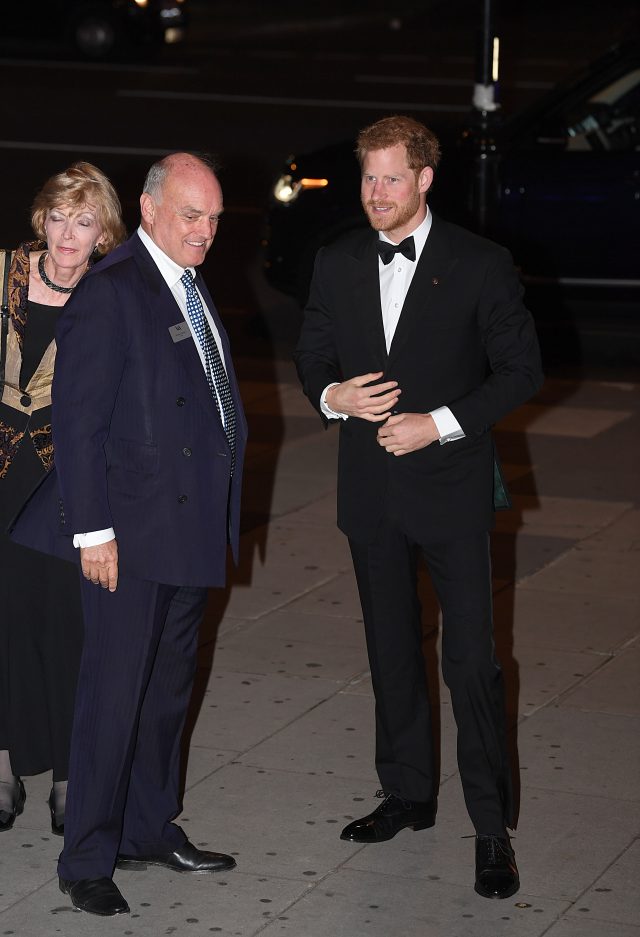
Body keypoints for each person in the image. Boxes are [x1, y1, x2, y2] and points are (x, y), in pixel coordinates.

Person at [295, 116, 544, 900]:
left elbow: (521, 370)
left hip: (453, 490)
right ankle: (407, 791)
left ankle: (491, 826)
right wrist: (333, 396)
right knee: (392, 653)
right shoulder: (336, 261)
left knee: (470, 660)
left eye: (391, 179)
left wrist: (436, 423)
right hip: (370, 494)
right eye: (368, 178)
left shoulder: (480, 263)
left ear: (425, 179)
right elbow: (313, 355)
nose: (375, 193)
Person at [10, 152, 247, 917]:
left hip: (186, 531)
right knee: (111, 696)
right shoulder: (113, 290)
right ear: (148, 211)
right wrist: (94, 531)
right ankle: (86, 857)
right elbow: (78, 423)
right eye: (190, 215)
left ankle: (149, 828)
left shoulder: (186, 276)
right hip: (128, 535)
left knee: (165, 693)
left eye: (214, 219)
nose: (205, 232)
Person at [0, 162, 125, 836]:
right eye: (57, 216)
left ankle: (72, 775)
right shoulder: (2, 275)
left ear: (104, 230)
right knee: (2, 618)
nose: (67, 232)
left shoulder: (114, 294)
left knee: (70, 623)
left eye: (84, 219)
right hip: (0, 475)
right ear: (40, 218)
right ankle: (1, 763)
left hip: (70, 480)